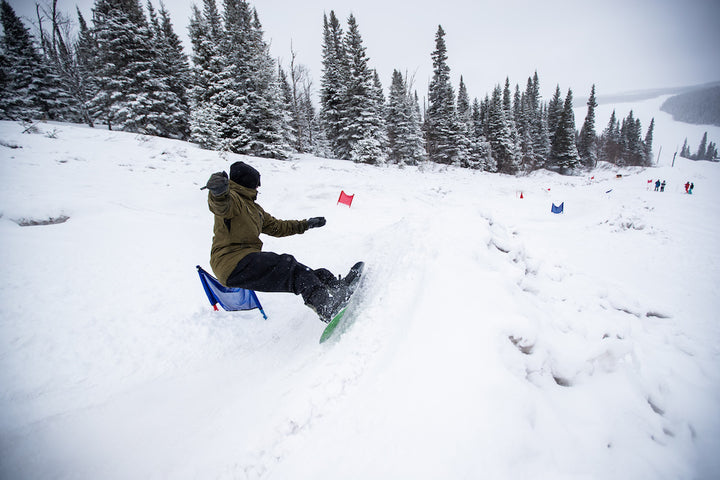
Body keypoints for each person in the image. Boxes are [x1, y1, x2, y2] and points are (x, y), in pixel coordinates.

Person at [203, 161, 363, 322]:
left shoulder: (254, 208)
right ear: (248, 183)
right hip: (231, 262)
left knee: (305, 273)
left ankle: (337, 287)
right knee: (291, 268)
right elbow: (220, 205)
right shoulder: (233, 200)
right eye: (256, 184)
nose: (258, 188)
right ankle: (326, 307)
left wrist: (306, 224)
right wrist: (218, 192)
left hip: (245, 259)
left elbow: (277, 227)